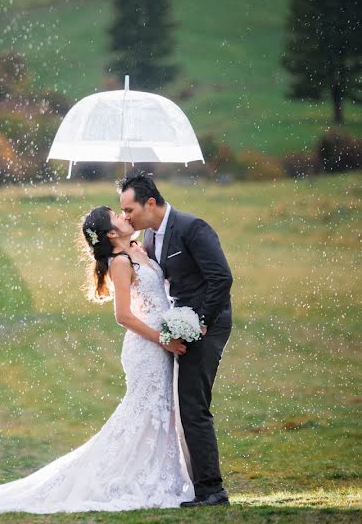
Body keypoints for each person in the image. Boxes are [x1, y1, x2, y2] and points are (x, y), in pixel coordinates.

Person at [0, 206, 195, 514]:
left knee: (162, 412)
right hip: (147, 347)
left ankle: (159, 475)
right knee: (145, 411)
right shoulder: (120, 262)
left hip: (161, 345)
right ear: (111, 233)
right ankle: (134, 479)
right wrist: (163, 338)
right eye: (118, 215)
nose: (125, 216)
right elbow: (123, 315)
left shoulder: (139, 249)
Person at [118, 172, 233, 508]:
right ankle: (200, 485)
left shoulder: (192, 228)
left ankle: (212, 489)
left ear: (150, 203)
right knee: (183, 408)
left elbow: (221, 278)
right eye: (122, 212)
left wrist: (201, 323)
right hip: (179, 327)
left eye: (129, 210)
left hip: (207, 327)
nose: (126, 216)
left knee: (193, 407)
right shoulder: (151, 237)